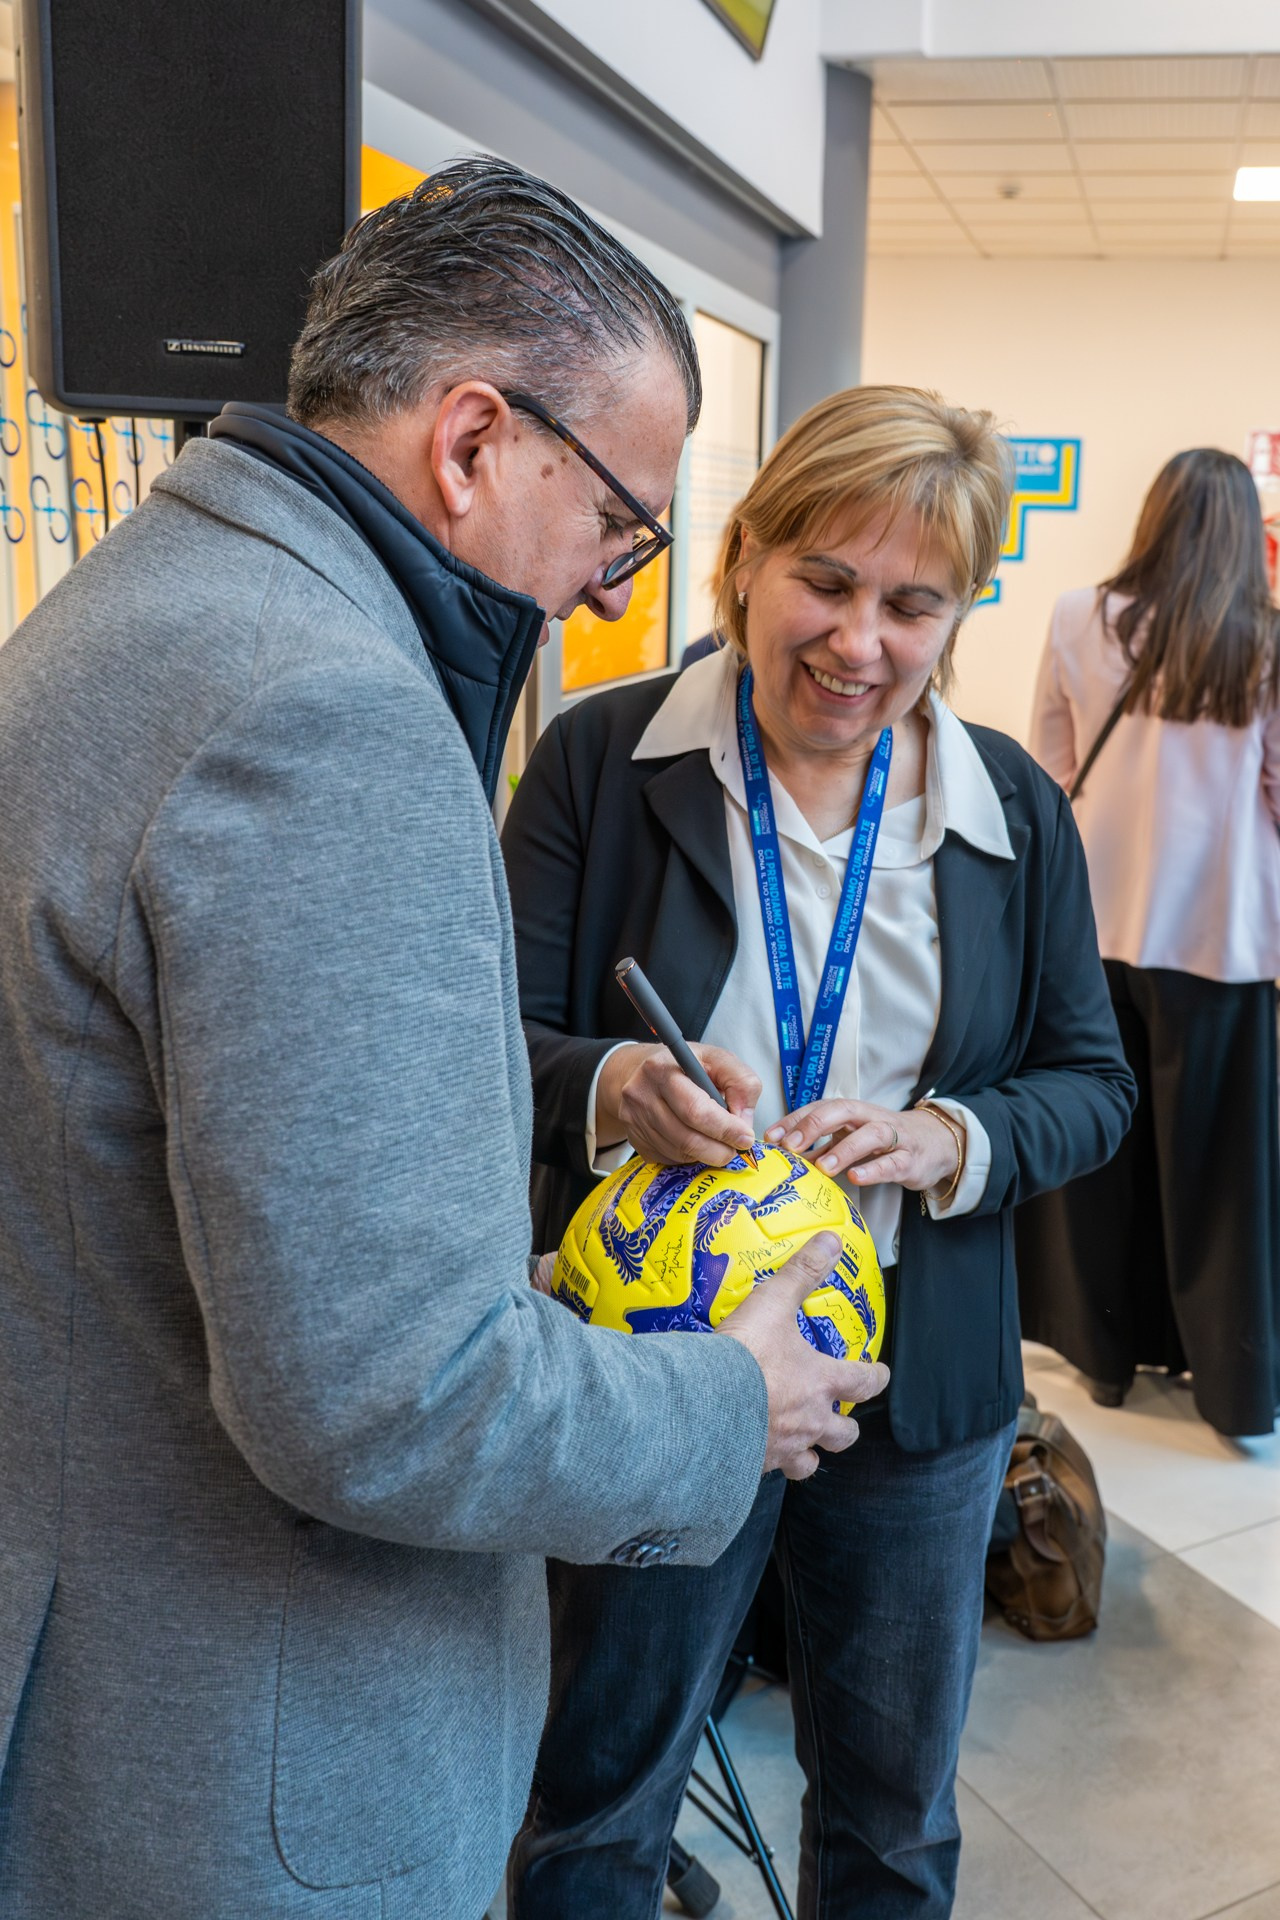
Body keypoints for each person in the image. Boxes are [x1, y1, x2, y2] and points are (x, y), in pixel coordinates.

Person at [0, 159, 887, 1920]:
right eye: (618, 526)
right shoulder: (325, 714)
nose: (606, 592)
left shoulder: (126, 614)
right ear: (475, 441)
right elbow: (383, 1399)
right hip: (268, 1764)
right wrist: (727, 1402)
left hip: (108, 1679)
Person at [502, 384, 1136, 1920]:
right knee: (600, 1800)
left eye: (913, 604)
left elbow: (1092, 1083)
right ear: (744, 560)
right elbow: (479, 1035)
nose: (861, 645)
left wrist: (945, 1135)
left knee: (895, 1821)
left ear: (959, 614)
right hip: (665, 1371)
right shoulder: (600, 762)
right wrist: (617, 1084)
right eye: (828, 584)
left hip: (919, 1389)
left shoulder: (1016, 816)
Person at [1021, 448, 1280, 1436]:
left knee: (1098, 1145)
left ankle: (1099, 1355)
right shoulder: (1257, 643)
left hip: (1093, 925)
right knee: (1218, 1170)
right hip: (1218, 941)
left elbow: (1049, 769)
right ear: (1236, 533)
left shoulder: (1075, 615)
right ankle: (1226, 1381)